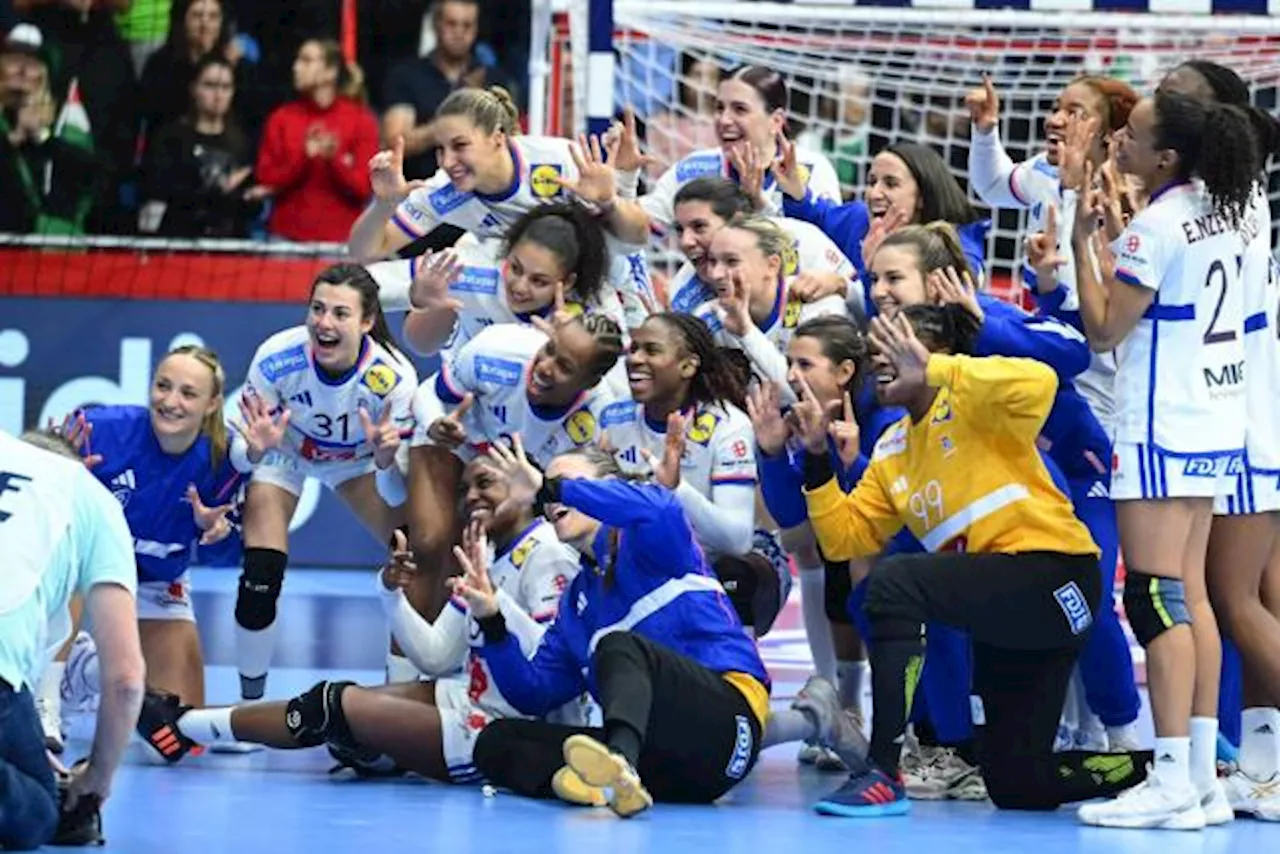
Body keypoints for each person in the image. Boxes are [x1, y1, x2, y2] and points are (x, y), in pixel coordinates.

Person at [798, 305, 1151, 817]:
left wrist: (941, 371)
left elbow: (1041, 379)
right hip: (1003, 605)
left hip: (1054, 579)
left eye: (894, 352)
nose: (880, 364)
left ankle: (882, 770)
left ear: (934, 355)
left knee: (895, 581)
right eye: (876, 355)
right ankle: (1151, 768)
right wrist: (815, 460)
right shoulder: (893, 446)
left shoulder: (978, 402)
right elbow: (846, 539)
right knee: (1016, 784)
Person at [134, 456, 592, 788]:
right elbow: (434, 656)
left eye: (486, 483)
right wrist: (390, 592)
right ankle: (181, 724)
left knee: (331, 708)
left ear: (528, 490)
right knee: (340, 726)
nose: (471, 496)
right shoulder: (487, 559)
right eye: (466, 488)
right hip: (471, 698)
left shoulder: (548, 553)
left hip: (511, 728)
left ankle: (183, 724)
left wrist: (496, 610)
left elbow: (550, 668)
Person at [1069, 90, 1262, 829]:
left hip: (1159, 424)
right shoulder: (1237, 205)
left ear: (1168, 157)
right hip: (1217, 417)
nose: (1119, 142)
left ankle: (1173, 775)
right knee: (1193, 596)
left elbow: (1104, 331)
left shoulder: (1157, 222)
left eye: (1134, 137)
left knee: (1152, 598)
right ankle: (1204, 780)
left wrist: (1088, 241)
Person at [460, 441, 839, 818]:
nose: (553, 495)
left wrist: (551, 488)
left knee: (619, 647)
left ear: (610, 487)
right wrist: (493, 620)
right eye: (550, 489)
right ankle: (602, 782)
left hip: (727, 729)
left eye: (567, 483)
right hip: (663, 764)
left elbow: (661, 506)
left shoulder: (651, 536)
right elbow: (533, 692)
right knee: (496, 741)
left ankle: (615, 768)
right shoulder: (575, 605)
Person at [875, 221, 1140, 756]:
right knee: (904, 586)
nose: (878, 290)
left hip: (1070, 478)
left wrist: (980, 320)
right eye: (873, 277)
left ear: (937, 282)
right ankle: (954, 745)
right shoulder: (888, 341)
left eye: (893, 278)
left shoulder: (986, 315)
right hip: (971, 497)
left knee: (1087, 604)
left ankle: (1122, 737)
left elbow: (1075, 351)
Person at [1155, 58, 1280, 823]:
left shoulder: (1203, 210)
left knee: (1229, 599)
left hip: (1237, 414)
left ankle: (1233, 762)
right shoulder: (1242, 198)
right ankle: (1262, 761)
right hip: (1254, 406)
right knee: (1255, 597)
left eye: (1175, 97)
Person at [35, 346, 244, 756]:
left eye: (188, 393)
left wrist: (213, 533)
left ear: (212, 404)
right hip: (87, 570)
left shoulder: (226, 458)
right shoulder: (99, 430)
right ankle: (48, 699)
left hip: (156, 580)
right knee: (75, 548)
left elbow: (225, 561)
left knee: (181, 739)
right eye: (163, 386)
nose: (170, 401)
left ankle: (88, 672)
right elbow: (38, 500)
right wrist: (58, 470)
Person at [229, 264, 417, 701]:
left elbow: (393, 489)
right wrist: (255, 450)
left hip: (356, 463)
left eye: (340, 314)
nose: (324, 323)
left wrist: (387, 460)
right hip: (285, 453)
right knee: (261, 571)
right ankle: (249, 705)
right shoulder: (277, 358)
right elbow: (241, 457)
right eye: (317, 309)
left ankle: (401, 700)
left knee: (415, 557)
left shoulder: (395, 380)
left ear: (367, 322)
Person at [346, 86, 656, 323]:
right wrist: (384, 205)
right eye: (440, 149)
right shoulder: (444, 190)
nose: (448, 161)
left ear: (497, 138)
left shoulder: (559, 160)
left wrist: (610, 201)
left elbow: (637, 236)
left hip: (612, 284)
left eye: (460, 146)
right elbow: (366, 251)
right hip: (537, 298)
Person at [399, 314, 623, 630]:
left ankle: (479, 653)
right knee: (428, 541)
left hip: (522, 480)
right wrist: (435, 423)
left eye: (565, 367)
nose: (545, 367)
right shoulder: (496, 349)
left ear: (589, 383)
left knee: (503, 552)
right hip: (454, 435)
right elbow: (431, 393)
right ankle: (407, 671)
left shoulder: (597, 420)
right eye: (550, 349)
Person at [600, 312, 791, 637]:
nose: (635, 359)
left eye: (651, 350)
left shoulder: (728, 426)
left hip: (722, 562)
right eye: (634, 349)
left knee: (736, 574)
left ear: (688, 366)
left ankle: (739, 681)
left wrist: (676, 490)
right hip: (648, 555)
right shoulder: (614, 419)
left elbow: (736, 539)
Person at [0, 429, 145, 850]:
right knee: (41, 814)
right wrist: (97, 778)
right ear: (79, 465)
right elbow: (127, 680)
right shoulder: (89, 496)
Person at [369, 201, 624, 359]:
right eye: (515, 268)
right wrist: (422, 300)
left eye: (539, 281)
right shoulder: (468, 265)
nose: (520, 286)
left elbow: (616, 383)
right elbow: (418, 344)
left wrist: (569, 348)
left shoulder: (596, 307)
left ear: (567, 283)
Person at [772, 139, 990, 303]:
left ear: (923, 196)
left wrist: (874, 267)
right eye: (872, 181)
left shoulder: (957, 246)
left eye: (891, 184)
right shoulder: (859, 220)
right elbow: (818, 216)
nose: (875, 193)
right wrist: (796, 192)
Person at [636, 65, 842, 235]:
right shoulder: (695, 167)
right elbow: (639, 225)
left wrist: (759, 205)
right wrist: (619, 187)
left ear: (776, 121)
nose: (724, 120)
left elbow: (825, 250)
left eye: (740, 109)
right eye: (719, 108)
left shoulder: (812, 169)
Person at [697, 214, 850, 401]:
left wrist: (746, 332)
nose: (716, 274)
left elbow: (805, 395)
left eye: (731, 261)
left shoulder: (816, 302)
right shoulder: (707, 317)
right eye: (713, 261)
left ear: (772, 265)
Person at [665, 177, 861, 318]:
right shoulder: (682, 296)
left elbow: (866, 308)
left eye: (699, 227)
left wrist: (842, 286)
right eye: (680, 230)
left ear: (737, 222)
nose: (685, 242)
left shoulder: (801, 240)